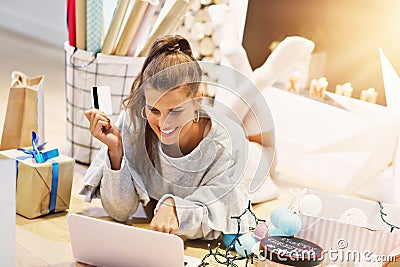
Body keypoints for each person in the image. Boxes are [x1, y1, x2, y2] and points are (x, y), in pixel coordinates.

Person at [80, 35, 254, 239]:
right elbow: (120, 211)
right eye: (154, 110)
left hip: (248, 163)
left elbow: (225, 216)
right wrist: (116, 151)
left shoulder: (224, 144)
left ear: (197, 100)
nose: (163, 124)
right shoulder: (135, 120)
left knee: (259, 143)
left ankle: (254, 76)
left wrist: (175, 208)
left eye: (175, 111)